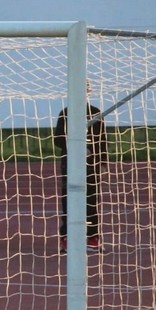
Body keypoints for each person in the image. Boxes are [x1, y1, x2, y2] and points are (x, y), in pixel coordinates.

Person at [53, 90, 107, 252]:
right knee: (69, 199)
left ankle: (92, 237)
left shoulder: (96, 113)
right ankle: (67, 238)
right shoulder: (65, 113)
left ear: (89, 92)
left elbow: (102, 139)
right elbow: (58, 139)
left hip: (90, 164)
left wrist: (102, 160)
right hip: (69, 164)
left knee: (91, 199)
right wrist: (76, 146)